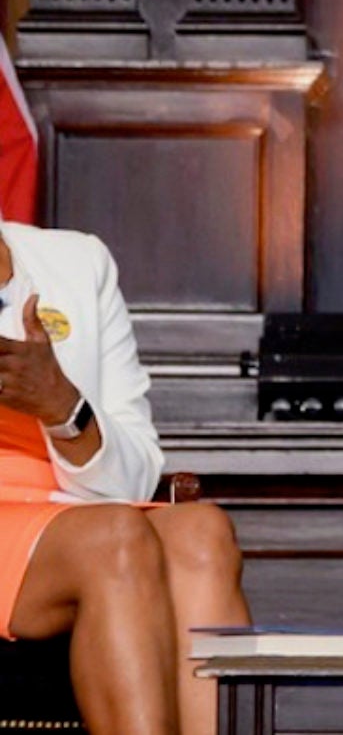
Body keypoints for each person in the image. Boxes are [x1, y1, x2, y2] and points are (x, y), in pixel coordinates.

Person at [0, 215, 250, 735]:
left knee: (201, 533)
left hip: (74, 510)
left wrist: (62, 405)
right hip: (67, 528)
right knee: (114, 538)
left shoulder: (77, 262)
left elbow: (135, 475)